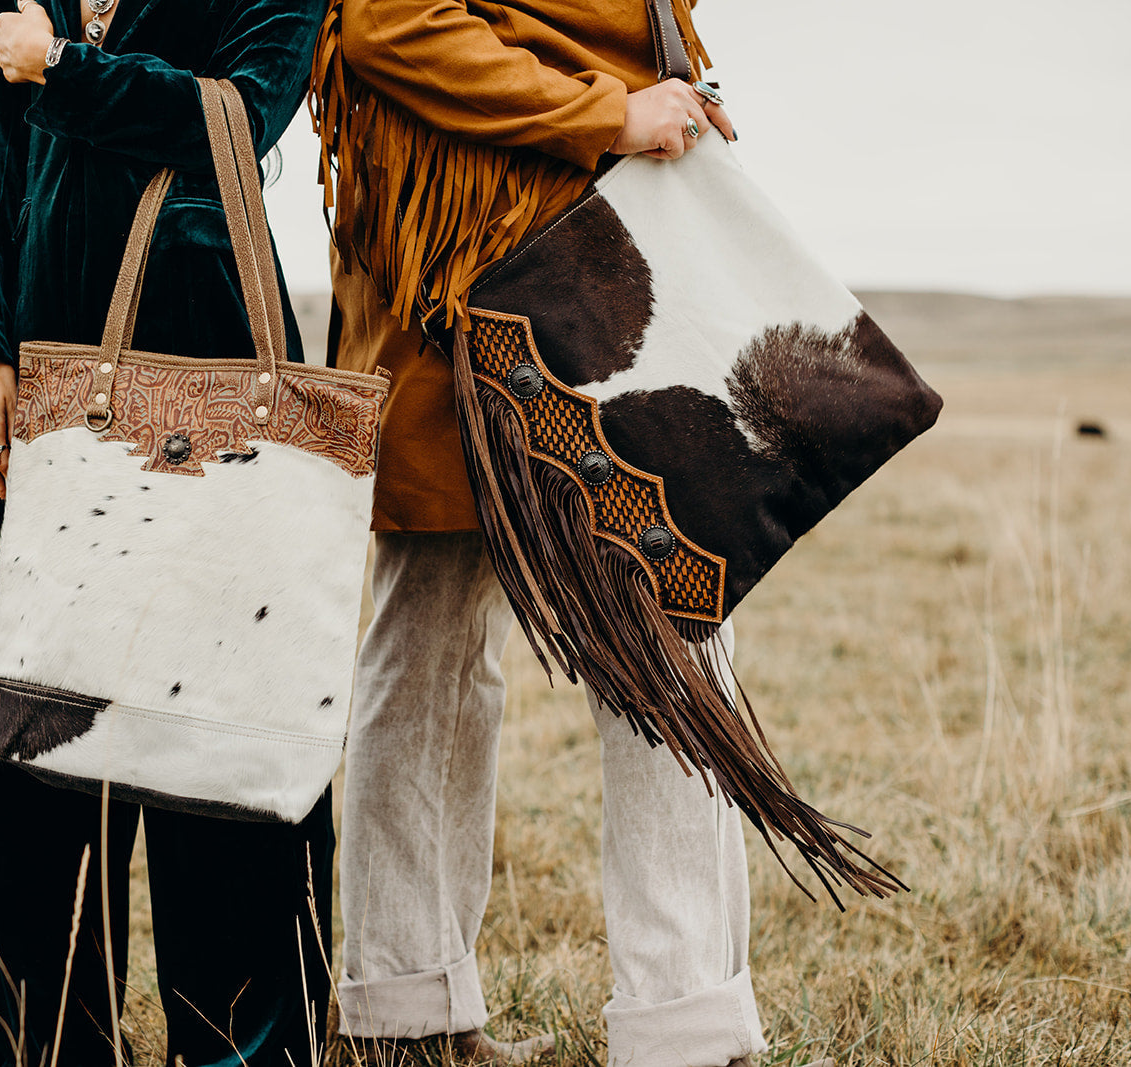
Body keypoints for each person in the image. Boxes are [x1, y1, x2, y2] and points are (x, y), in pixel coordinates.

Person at [315, 2, 831, 1065]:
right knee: (435, 640)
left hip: (604, 272)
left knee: (666, 641)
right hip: (457, 276)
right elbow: (386, 25)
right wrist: (610, 112)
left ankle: (679, 1025)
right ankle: (409, 1013)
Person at [0, 2, 328, 1064]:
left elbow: (243, 116)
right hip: (49, 354)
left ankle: (241, 1043)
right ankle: (48, 1041)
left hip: (212, 363)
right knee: (37, 717)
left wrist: (65, 68)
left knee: (221, 727)